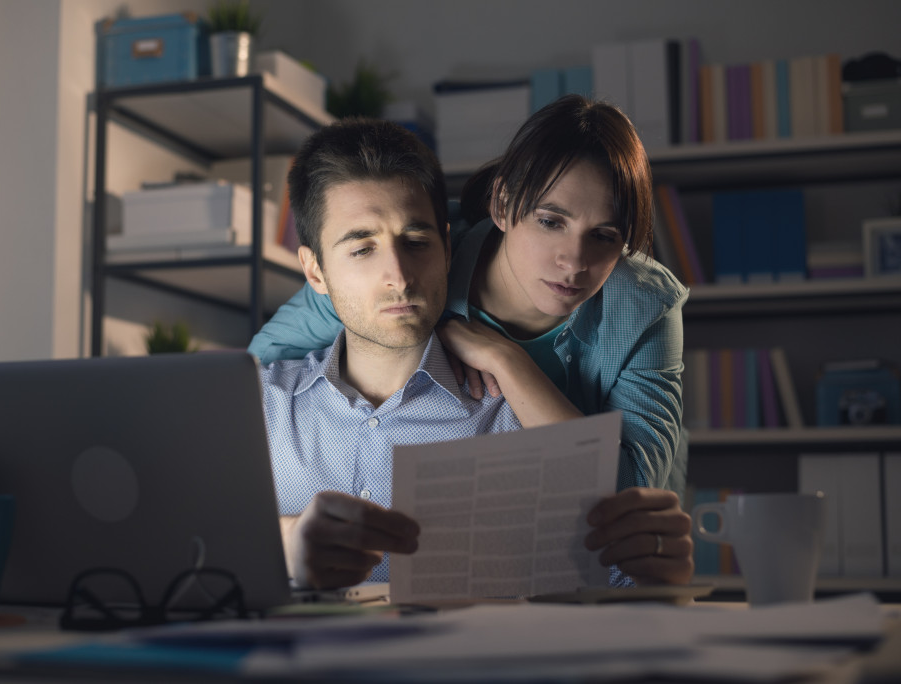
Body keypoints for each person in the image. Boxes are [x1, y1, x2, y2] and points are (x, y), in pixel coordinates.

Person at [258, 117, 692, 591]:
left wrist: (507, 361)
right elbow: (258, 365)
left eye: (604, 234)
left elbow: (628, 532)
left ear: (443, 250)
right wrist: (282, 540)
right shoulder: (269, 402)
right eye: (550, 221)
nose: (573, 261)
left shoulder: (640, 308)